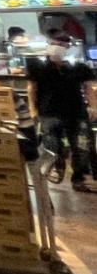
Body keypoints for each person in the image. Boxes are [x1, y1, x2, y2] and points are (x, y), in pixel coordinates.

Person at [27, 35, 94, 189]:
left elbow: (89, 88)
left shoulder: (78, 68)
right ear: (50, 45)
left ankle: (79, 178)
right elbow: (32, 88)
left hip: (76, 112)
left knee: (81, 146)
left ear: (68, 47)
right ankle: (58, 166)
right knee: (51, 145)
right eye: (56, 43)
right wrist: (33, 109)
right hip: (48, 112)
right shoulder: (38, 68)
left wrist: (93, 106)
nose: (59, 46)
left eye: (64, 44)